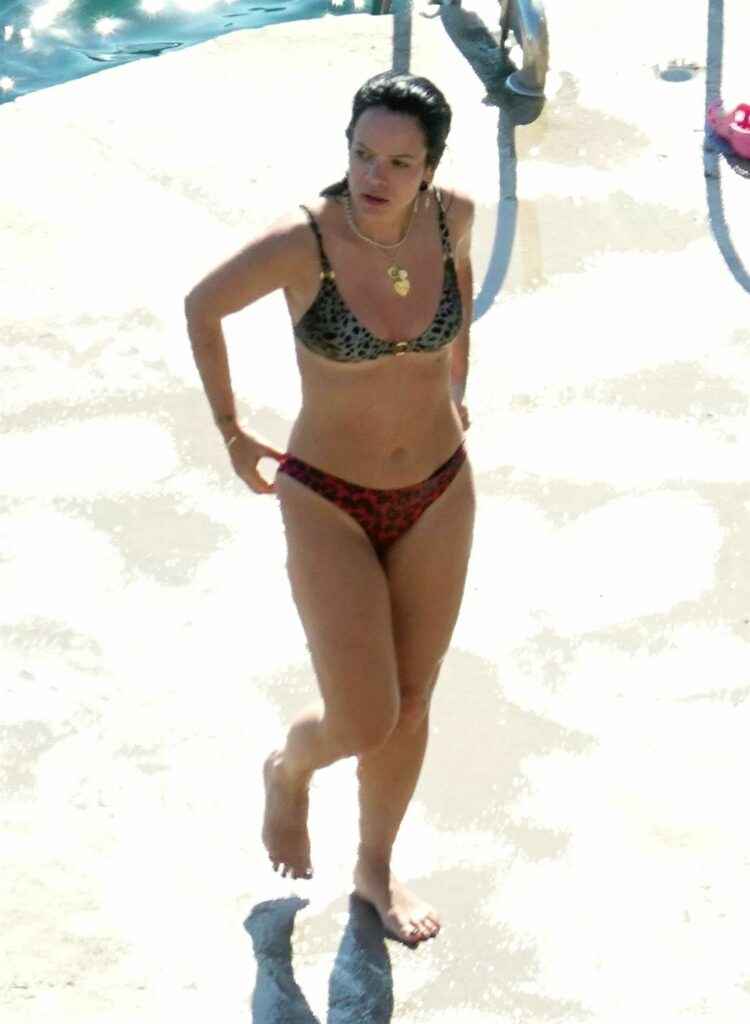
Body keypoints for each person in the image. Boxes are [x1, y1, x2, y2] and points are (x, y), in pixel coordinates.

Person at [184, 71, 475, 946]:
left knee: (413, 702)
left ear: (430, 168)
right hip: (329, 500)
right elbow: (203, 306)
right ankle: (289, 768)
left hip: (439, 491)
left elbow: (460, 290)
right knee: (362, 716)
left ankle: (375, 869)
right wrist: (232, 431)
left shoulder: (452, 217)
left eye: (399, 162)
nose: (374, 176)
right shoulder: (302, 243)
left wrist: (459, 385)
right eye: (361, 153)